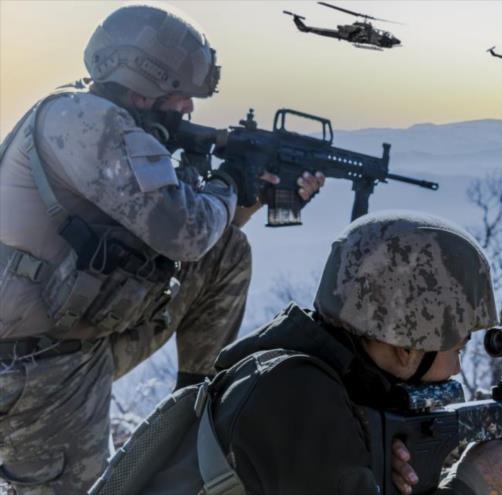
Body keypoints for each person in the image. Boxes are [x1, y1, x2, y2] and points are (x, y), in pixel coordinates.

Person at [0, 5, 323, 493]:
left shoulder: (114, 126)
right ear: (141, 82)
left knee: (228, 251)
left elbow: (205, 239)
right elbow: (185, 231)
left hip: (84, 341)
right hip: (34, 370)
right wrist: (230, 179)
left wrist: (251, 195)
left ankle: (193, 410)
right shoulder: (83, 120)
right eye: (179, 94)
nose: (188, 109)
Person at [136, 211, 502, 495]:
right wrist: (474, 483)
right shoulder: (296, 397)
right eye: (458, 346)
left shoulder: (318, 372)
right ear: (406, 347)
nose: (457, 366)